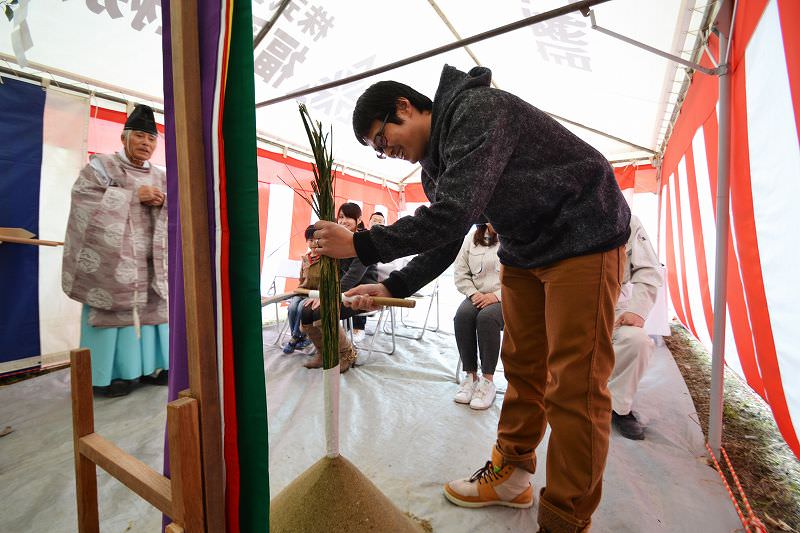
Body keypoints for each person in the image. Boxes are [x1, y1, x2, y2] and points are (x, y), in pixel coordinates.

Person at [311, 65, 630, 532]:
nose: (388, 152)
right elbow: (449, 232)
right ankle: (511, 475)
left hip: (584, 233)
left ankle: (566, 517)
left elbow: (453, 213)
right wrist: (392, 286)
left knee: (574, 386)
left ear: (405, 106)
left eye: (383, 138)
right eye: (379, 151)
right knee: (522, 367)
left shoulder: (478, 111)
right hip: (525, 249)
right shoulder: (434, 166)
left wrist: (362, 245)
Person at [62, 104, 168, 398]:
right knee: (113, 314)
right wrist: (134, 196)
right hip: (115, 261)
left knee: (156, 313)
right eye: (139, 137)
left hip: (153, 261)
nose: (146, 144)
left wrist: (165, 202)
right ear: (124, 138)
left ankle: (155, 368)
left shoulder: (161, 176)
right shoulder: (102, 167)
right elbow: (84, 201)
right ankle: (111, 376)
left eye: (151, 139)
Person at [300, 202, 378, 372]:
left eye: (348, 217)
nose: (343, 221)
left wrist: (328, 295)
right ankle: (324, 354)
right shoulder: (337, 242)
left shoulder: (365, 240)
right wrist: (322, 293)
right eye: (340, 217)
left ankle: (347, 354)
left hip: (362, 293)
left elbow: (353, 276)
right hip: (340, 291)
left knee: (324, 311)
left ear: (358, 219)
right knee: (305, 311)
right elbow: (332, 273)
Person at [609, 215, 662, 440]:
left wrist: (637, 310)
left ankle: (618, 406)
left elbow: (648, 269)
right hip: (568, 308)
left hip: (614, 308)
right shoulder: (558, 210)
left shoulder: (624, 217)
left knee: (636, 341)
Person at [452, 223, 503, 410]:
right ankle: (471, 377)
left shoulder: (513, 235)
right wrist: (473, 294)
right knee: (463, 316)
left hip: (506, 298)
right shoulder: (471, 238)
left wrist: (495, 296)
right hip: (477, 294)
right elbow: (460, 272)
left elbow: (521, 276)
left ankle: (488, 382)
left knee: (487, 319)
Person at [281, 225, 319, 354]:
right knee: (292, 307)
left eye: (316, 239)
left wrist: (317, 295)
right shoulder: (305, 259)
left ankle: (295, 338)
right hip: (302, 291)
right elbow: (301, 279)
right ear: (307, 242)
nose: (313, 243)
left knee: (301, 307)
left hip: (315, 294)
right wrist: (298, 290)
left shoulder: (326, 259)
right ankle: (301, 337)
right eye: (310, 240)